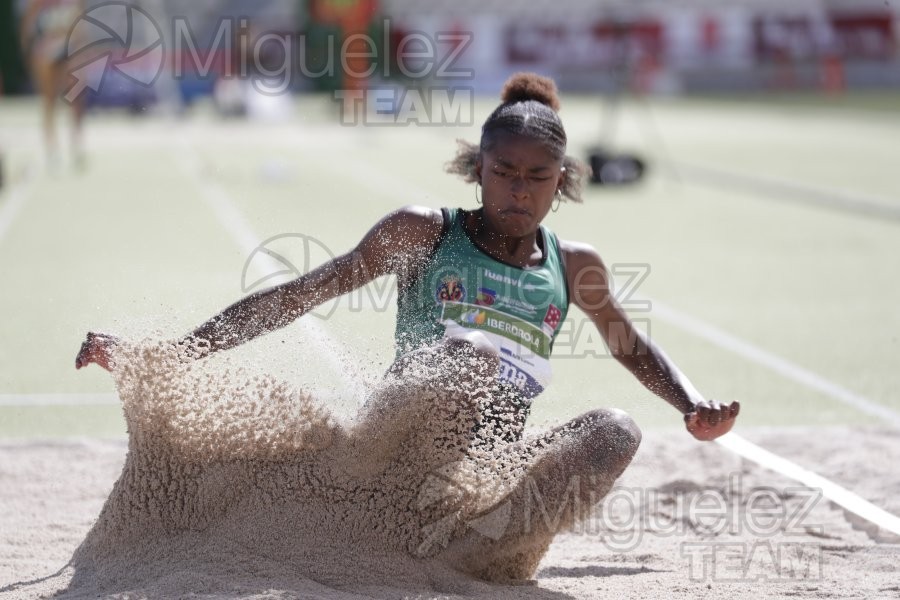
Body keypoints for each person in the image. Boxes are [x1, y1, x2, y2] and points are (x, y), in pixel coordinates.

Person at [75, 73, 739, 577]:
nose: (517, 190)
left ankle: (484, 553)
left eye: (536, 178)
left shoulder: (576, 266)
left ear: (560, 182)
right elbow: (301, 294)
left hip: (486, 471)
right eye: (503, 172)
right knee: (475, 354)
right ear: (477, 168)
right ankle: (379, 516)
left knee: (615, 431)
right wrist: (166, 352)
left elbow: (630, 345)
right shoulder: (423, 231)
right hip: (391, 454)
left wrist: (690, 403)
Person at [19, 0, 86, 169]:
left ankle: (76, 144)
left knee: (75, 98)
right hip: (47, 47)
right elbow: (28, 23)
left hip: (68, 45)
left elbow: (80, 20)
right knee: (49, 101)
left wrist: (81, 47)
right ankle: (52, 147)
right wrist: (29, 52)